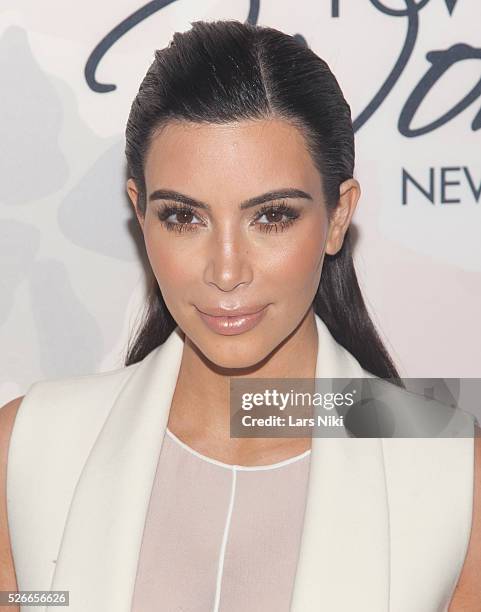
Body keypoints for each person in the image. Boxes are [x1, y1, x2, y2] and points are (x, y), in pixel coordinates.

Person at [1, 19, 480, 612]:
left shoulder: (455, 475)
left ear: (337, 217)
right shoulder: (29, 450)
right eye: (184, 217)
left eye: (272, 216)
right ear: (140, 214)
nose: (226, 271)